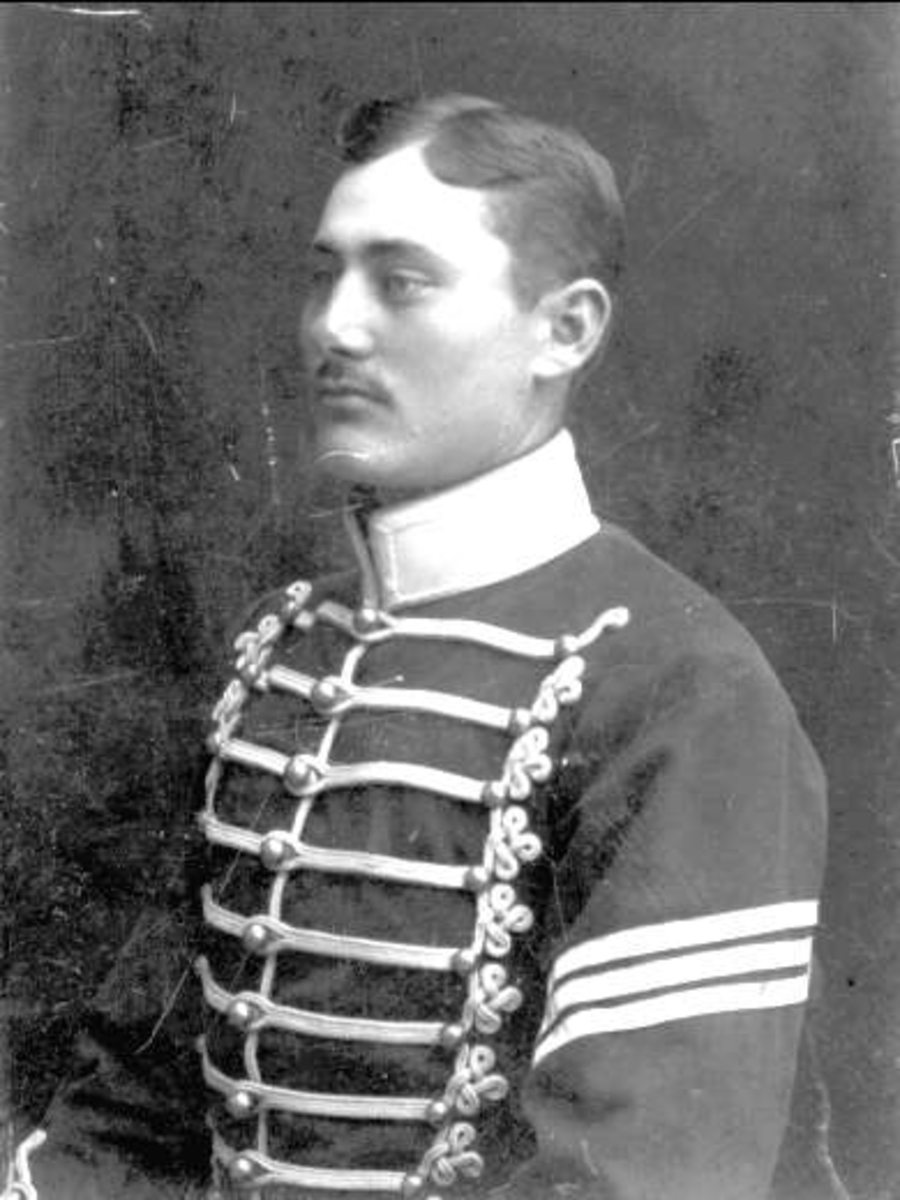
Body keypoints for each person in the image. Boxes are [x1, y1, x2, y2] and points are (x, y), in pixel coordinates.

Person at [12, 94, 849, 1200]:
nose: (336, 329)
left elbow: (635, 1177)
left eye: (402, 282)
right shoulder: (281, 651)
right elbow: (124, 1124)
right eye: (326, 277)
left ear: (566, 329)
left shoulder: (685, 690)